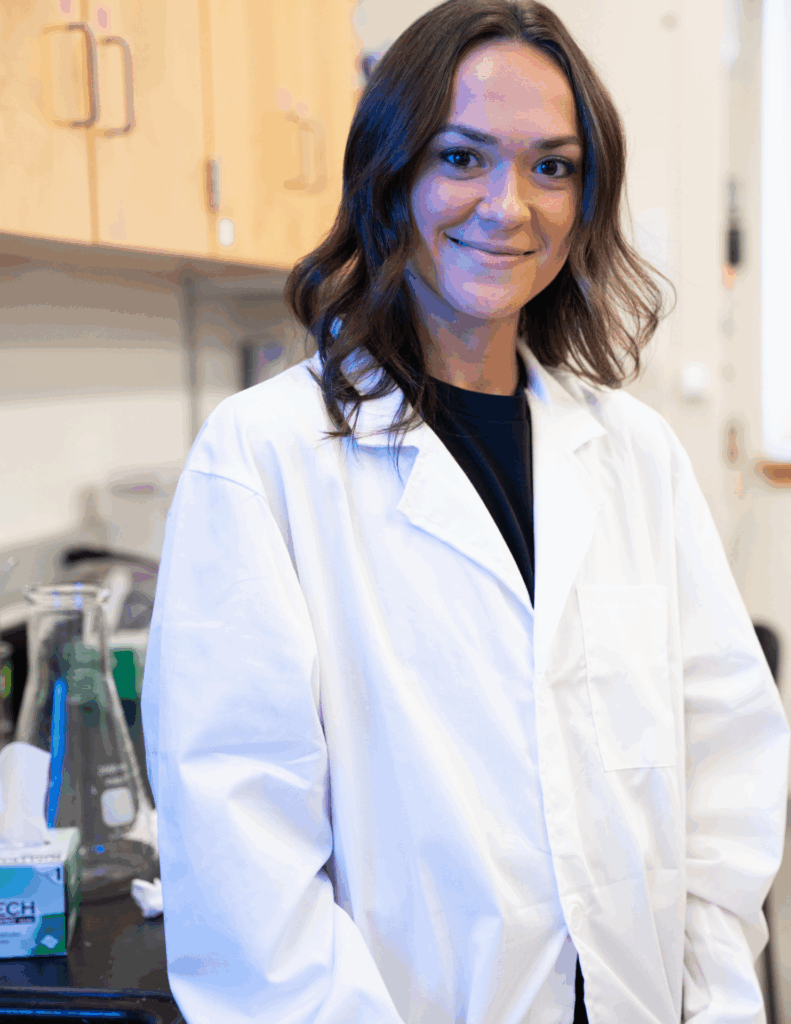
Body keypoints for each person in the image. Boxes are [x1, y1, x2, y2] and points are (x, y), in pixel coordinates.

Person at [141, 1, 789, 1021]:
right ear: (389, 174)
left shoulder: (636, 455)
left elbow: (723, 773)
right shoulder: (262, 458)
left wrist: (713, 1003)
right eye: (460, 157)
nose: (508, 206)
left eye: (551, 166)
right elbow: (243, 863)